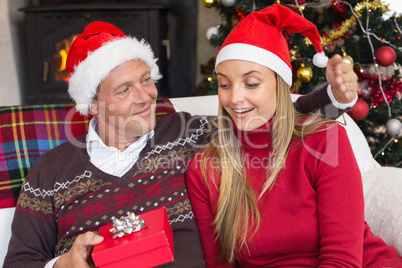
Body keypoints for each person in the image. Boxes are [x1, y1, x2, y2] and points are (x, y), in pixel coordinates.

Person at [4, 19, 358, 268]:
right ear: (93, 105)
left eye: (147, 80)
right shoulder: (50, 171)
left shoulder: (191, 133)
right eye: (125, 90)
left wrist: (334, 98)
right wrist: (62, 264)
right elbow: (19, 261)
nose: (146, 97)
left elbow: (271, 117)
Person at [185, 4, 402, 268]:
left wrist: (340, 97)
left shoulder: (325, 141)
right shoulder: (205, 169)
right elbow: (220, 264)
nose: (234, 98)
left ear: (280, 85)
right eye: (225, 84)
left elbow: (342, 259)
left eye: (251, 83)